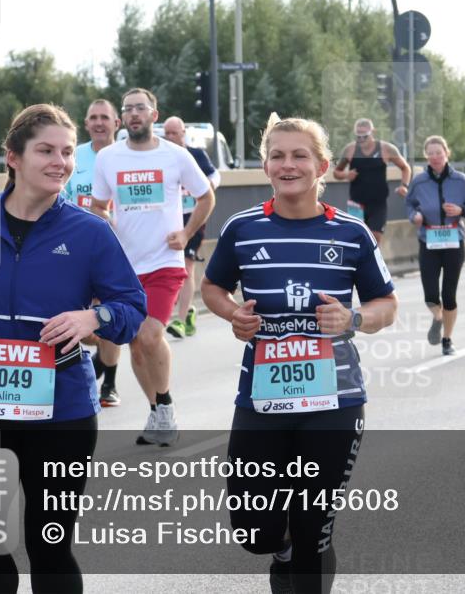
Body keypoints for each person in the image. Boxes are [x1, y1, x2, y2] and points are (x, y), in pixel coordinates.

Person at [0, 104, 146, 593]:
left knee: (49, 546)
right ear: (13, 158)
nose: (60, 161)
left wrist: (94, 317)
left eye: (67, 152)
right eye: (46, 150)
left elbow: (131, 308)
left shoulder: (89, 232)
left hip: (61, 410)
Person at [201, 116, 397, 593]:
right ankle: (281, 545)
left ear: (322, 165)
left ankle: (302, 549)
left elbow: (386, 304)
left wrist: (353, 320)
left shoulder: (351, 233)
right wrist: (233, 314)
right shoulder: (241, 229)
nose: (288, 165)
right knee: (254, 530)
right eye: (278, 156)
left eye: (300, 155)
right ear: (266, 165)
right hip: (262, 399)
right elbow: (211, 287)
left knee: (315, 528)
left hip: (334, 400)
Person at [90, 88, 215, 446]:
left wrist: (187, 232)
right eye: (127, 109)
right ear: (122, 119)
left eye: (140, 108)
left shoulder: (175, 156)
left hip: (165, 262)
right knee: (135, 344)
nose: (133, 114)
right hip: (126, 266)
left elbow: (206, 195)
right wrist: (109, 224)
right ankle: (157, 409)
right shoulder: (109, 158)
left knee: (149, 335)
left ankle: (165, 406)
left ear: (154, 115)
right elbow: (99, 205)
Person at [63, 98, 124, 407]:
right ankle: (97, 362)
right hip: (77, 250)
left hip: (119, 252)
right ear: (86, 124)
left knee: (109, 315)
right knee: (82, 319)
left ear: (117, 123)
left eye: (105, 117)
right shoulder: (74, 158)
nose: (99, 122)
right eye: (93, 118)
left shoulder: (127, 156)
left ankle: (109, 383)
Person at [405, 136, 465, 355]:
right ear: (426, 156)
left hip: (452, 241)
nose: (435, 157)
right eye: (431, 153)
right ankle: (438, 318)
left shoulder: (460, 180)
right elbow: (409, 204)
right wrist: (415, 216)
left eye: (439, 152)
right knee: (430, 294)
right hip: (427, 240)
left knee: (449, 294)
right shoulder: (419, 181)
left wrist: (462, 211)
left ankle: (447, 339)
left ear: (446, 153)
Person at [162, 115, 221, 337]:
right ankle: (186, 313)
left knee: (186, 267)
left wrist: (208, 187)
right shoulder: (162, 157)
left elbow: (215, 174)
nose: (169, 137)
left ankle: (179, 319)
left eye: (174, 133)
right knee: (169, 269)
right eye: (166, 133)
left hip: (193, 218)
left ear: (183, 133)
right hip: (169, 219)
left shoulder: (195, 155)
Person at [332, 118, 412, 244]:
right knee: (356, 237)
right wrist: (346, 175)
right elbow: (336, 172)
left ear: (372, 132)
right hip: (356, 202)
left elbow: (405, 167)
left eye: (365, 136)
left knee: (374, 237)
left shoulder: (386, 149)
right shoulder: (350, 149)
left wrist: (404, 185)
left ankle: (372, 262)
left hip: (378, 203)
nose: (361, 140)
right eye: (358, 136)